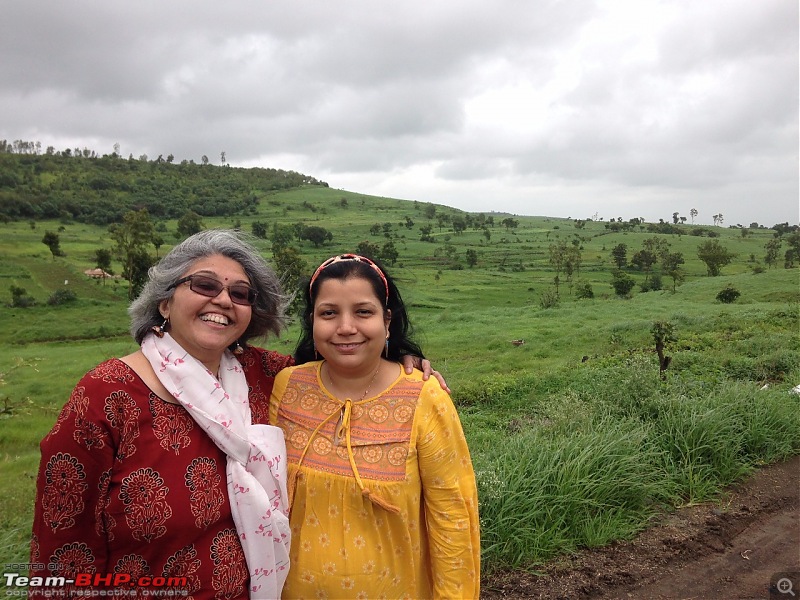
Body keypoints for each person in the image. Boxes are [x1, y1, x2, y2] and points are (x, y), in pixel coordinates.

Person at [29, 230, 443, 599]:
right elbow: (63, 549)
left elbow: (341, 359)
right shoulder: (107, 395)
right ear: (165, 301)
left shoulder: (264, 376)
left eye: (241, 293)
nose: (223, 300)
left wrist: (397, 358)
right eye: (204, 284)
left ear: (249, 315)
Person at [269, 253, 480, 599]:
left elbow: (453, 518)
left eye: (363, 312)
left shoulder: (425, 396)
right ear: (312, 321)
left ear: (387, 320)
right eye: (329, 313)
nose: (346, 327)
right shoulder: (287, 386)